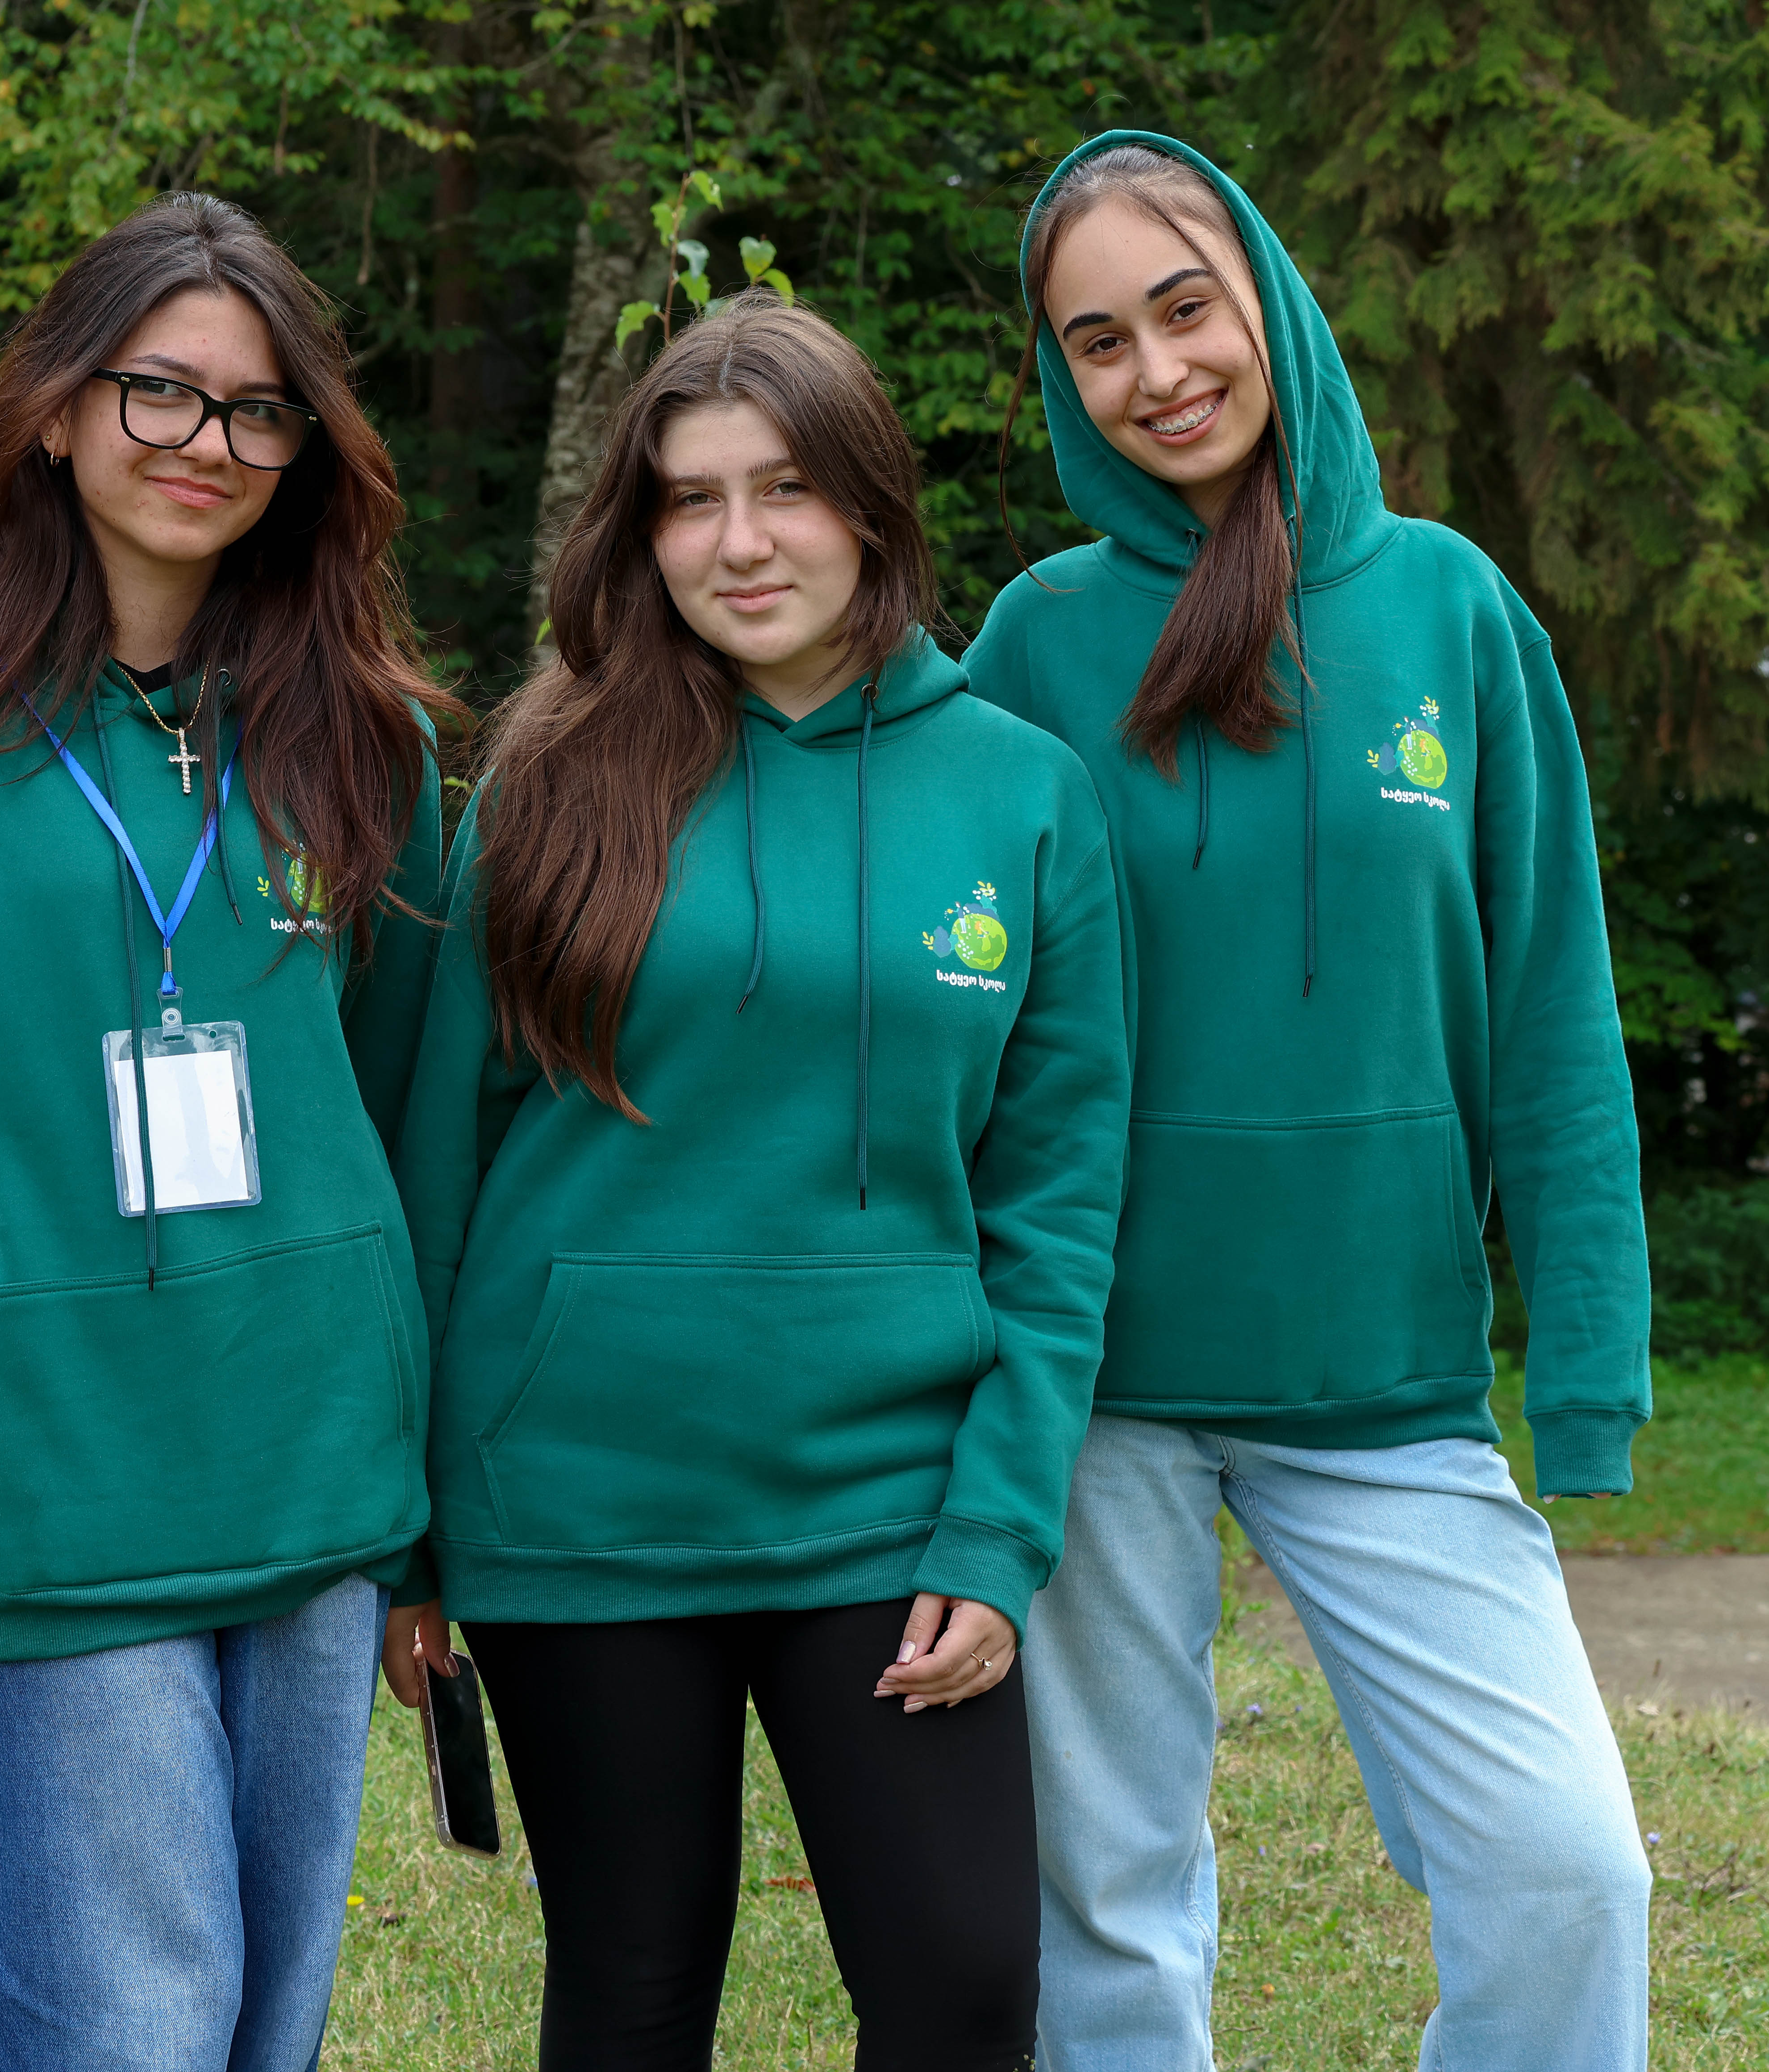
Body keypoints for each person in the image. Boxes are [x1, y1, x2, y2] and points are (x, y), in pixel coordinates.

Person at [380, 290, 1131, 2072]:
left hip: (888, 1500)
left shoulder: (1024, 797)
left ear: (868, 501)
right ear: (640, 534)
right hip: (579, 1501)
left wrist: (999, 1532)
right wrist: (406, 1533)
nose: (740, 542)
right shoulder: (551, 776)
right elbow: (441, 1162)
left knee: (965, 1987)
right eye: (690, 499)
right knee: (633, 1994)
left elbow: (1055, 1211)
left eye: (784, 487)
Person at [965, 134, 1657, 2069]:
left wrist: (1586, 1361)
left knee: (1567, 1872)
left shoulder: (1450, 608)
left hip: (1388, 1380)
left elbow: (1554, 1013)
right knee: (1107, 1907)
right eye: (1099, 341)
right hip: (1091, 1380)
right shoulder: (1036, 641)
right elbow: (946, 1015)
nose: (1157, 371)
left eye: (1186, 309)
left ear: (1268, 298)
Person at [0, 192, 459, 2072]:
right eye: (161, 390)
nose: (206, 441)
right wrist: (9, 1332)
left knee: (262, 2029)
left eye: (258, 408)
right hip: (54, 1492)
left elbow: (406, 1103)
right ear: (60, 410)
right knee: (117, 2033)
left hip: (314, 1479)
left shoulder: (367, 740)